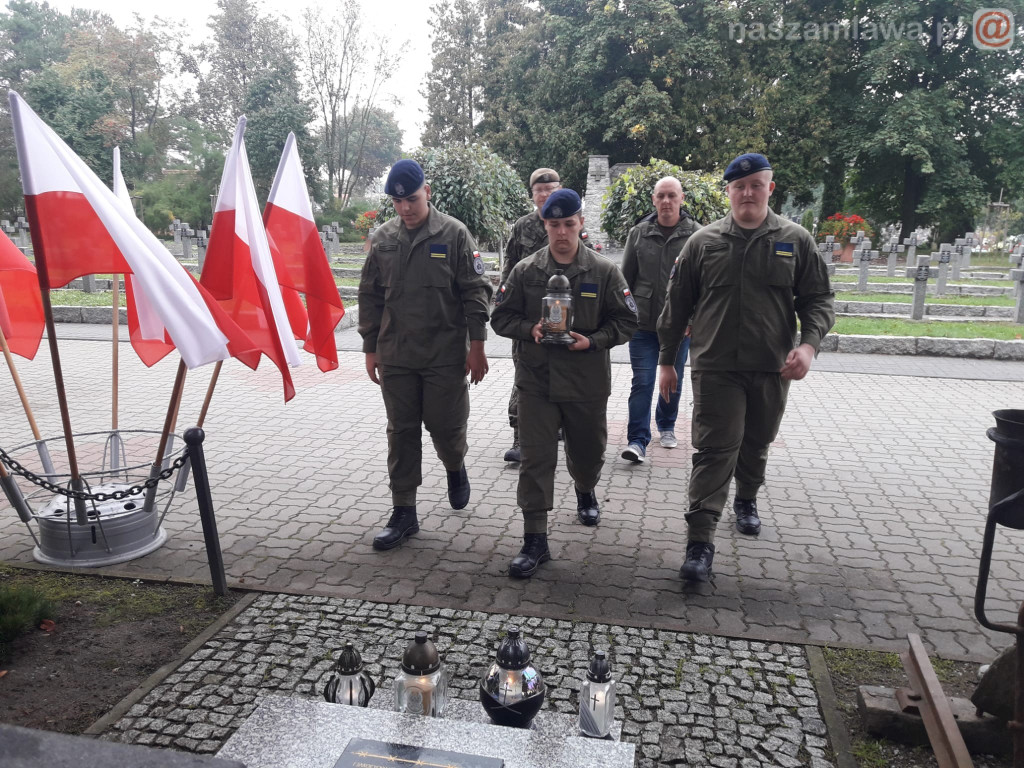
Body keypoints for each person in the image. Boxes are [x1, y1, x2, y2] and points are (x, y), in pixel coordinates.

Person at [657, 153, 834, 582]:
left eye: (757, 184)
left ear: (770, 188)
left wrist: (808, 347)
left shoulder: (796, 239)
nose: (748, 192)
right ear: (729, 191)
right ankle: (700, 542)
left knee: (756, 443)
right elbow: (676, 306)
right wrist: (666, 362)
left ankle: (747, 499)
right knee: (715, 450)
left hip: (772, 367)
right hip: (715, 366)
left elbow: (818, 301)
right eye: (740, 186)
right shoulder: (703, 242)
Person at [491, 189, 637, 578]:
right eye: (553, 224)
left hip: (586, 383)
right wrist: (530, 328)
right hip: (536, 383)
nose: (561, 232)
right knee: (536, 459)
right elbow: (500, 318)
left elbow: (627, 321)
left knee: (588, 454)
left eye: (568, 224)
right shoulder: (526, 271)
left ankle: (585, 489)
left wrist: (594, 341)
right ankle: (535, 538)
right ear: (544, 225)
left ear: (580, 224)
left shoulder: (604, 271)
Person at [358, 159, 493, 551]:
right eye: (398, 202)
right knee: (401, 432)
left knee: (445, 426)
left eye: (412, 199)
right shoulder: (383, 239)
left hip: (444, 354)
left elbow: (475, 290)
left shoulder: (454, 234)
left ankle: (455, 465)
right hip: (396, 354)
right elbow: (369, 295)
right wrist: (370, 348)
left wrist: (478, 346)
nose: (405, 209)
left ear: (427, 192)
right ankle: (404, 511)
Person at [620, 176, 698, 464]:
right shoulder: (638, 233)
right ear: (653, 199)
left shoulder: (696, 235)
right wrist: (625, 315)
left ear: (682, 198)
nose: (666, 201)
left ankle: (666, 424)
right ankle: (637, 440)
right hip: (642, 325)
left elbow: (702, 285)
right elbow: (624, 280)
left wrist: (693, 319)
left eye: (672, 196)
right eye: (661, 196)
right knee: (643, 381)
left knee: (671, 381)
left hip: (679, 327)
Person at [500, 168, 562, 463]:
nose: (546, 194)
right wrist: (503, 301)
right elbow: (509, 267)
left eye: (552, 188)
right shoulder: (522, 227)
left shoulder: (568, 223)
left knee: (560, 371)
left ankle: (558, 425)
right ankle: (521, 438)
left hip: (561, 315)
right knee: (524, 373)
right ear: (533, 195)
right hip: (526, 316)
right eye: (540, 190)